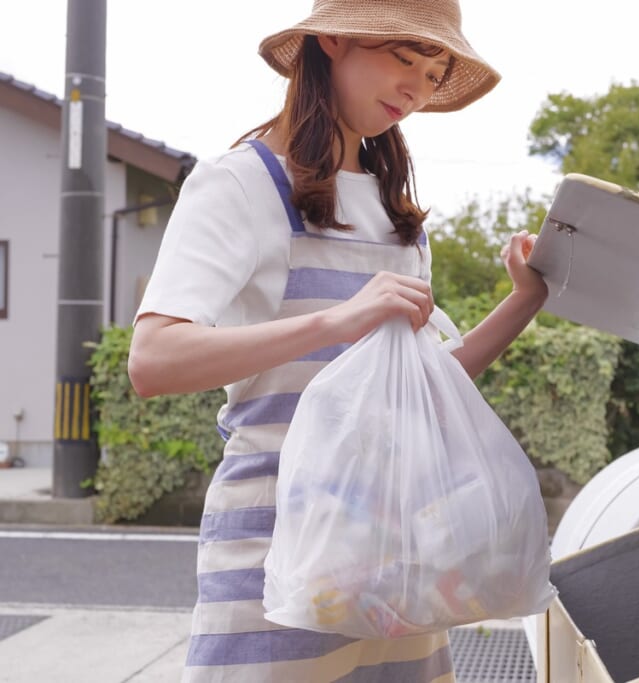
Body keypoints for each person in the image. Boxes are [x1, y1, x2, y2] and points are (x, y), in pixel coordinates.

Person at [127, 1, 547, 680]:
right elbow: (153, 359)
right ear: (331, 40)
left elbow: (425, 386)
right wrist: (337, 320)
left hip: (396, 558)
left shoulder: (394, 213)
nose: (417, 86)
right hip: (273, 557)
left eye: (434, 70)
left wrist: (526, 298)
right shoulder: (239, 183)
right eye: (403, 58)